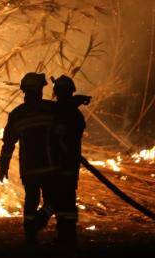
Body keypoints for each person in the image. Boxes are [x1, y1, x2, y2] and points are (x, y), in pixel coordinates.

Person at [0, 72, 60, 244]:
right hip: (49, 166)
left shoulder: (17, 114)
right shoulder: (51, 109)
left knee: (31, 200)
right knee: (53, 200)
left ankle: (30, 234)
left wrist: (3, 165)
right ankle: (39, 221)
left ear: (24, 91)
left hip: (28, 167)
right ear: (39, 90)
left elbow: (8, 143)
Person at [48, 75, 88, 246]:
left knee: (62, 197)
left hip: (62, 162)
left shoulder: (61, 112)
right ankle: (66, 234)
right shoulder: (71, 112)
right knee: (66, 197)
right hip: (68, 162)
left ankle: (66, 235)